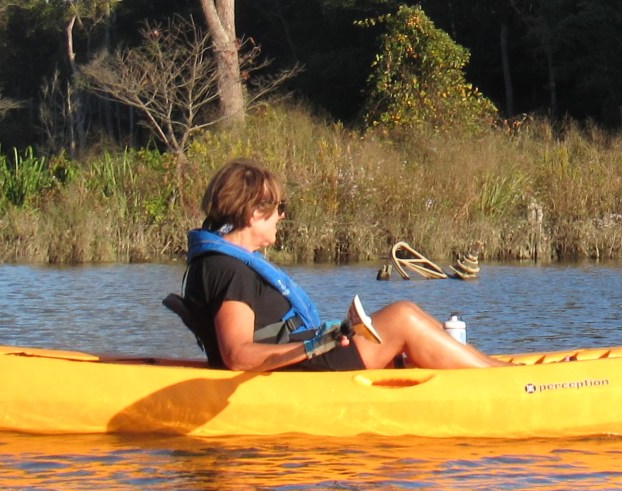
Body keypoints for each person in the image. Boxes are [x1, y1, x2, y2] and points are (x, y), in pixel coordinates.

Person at [174, 159, 501, 372]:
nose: (282, 215)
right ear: (251, 213)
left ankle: (492, 369)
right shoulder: (229, 271)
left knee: (409, 318)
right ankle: (506, 382)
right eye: (278, 207)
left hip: (297, 362)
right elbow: (237, 355)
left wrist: (327, 336)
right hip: (294, 372)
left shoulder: (221, 263)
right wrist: (319, 342)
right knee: (402, 317)